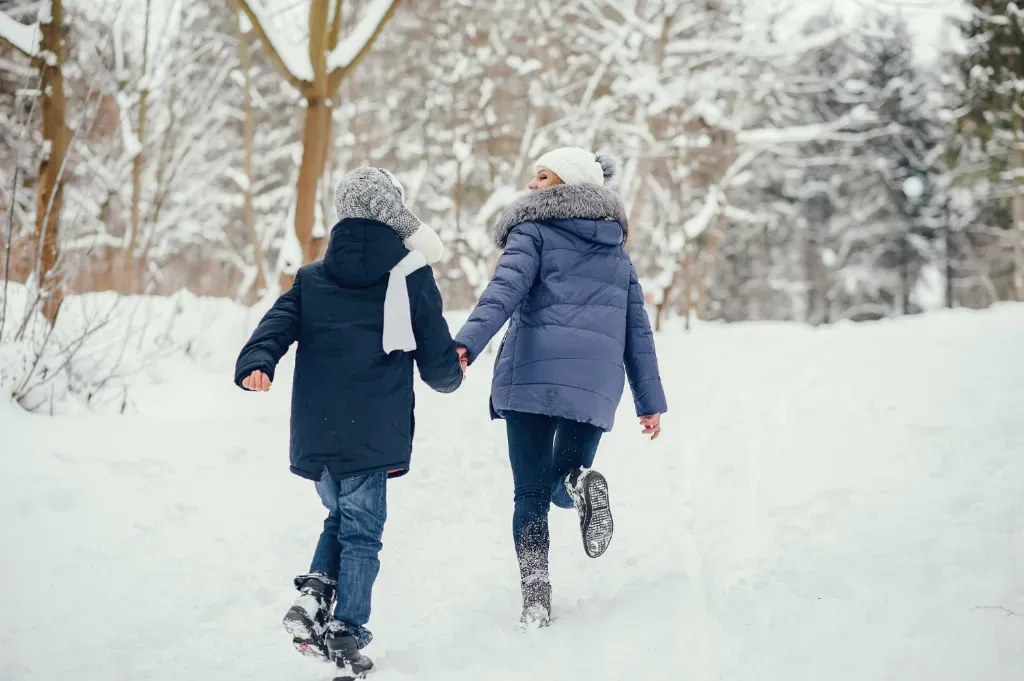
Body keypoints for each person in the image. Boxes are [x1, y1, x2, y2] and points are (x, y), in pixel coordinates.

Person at [234, 168, 463, 678]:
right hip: (373, 431)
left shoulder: (312, 278)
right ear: (393, 213)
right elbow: (435, 356)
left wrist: (257, 363)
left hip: (316, 430)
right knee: (362, 535)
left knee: (340, 518)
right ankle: (347, 630)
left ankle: (314, 597)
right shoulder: (410, 274)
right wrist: (451, 375)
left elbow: (276, 323)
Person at [454, 147, 667, 628]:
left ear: (566, 184)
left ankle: (535, 595)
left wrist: (466, 344)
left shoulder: (531, 233)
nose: (531, 186)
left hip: (533, 371)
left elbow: (502, 292)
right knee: (565, 475)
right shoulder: (617, 253)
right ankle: (578, 482)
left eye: (542, 176)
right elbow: (638, 332)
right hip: (595, 381)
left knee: (529, 491)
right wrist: (649, 402)